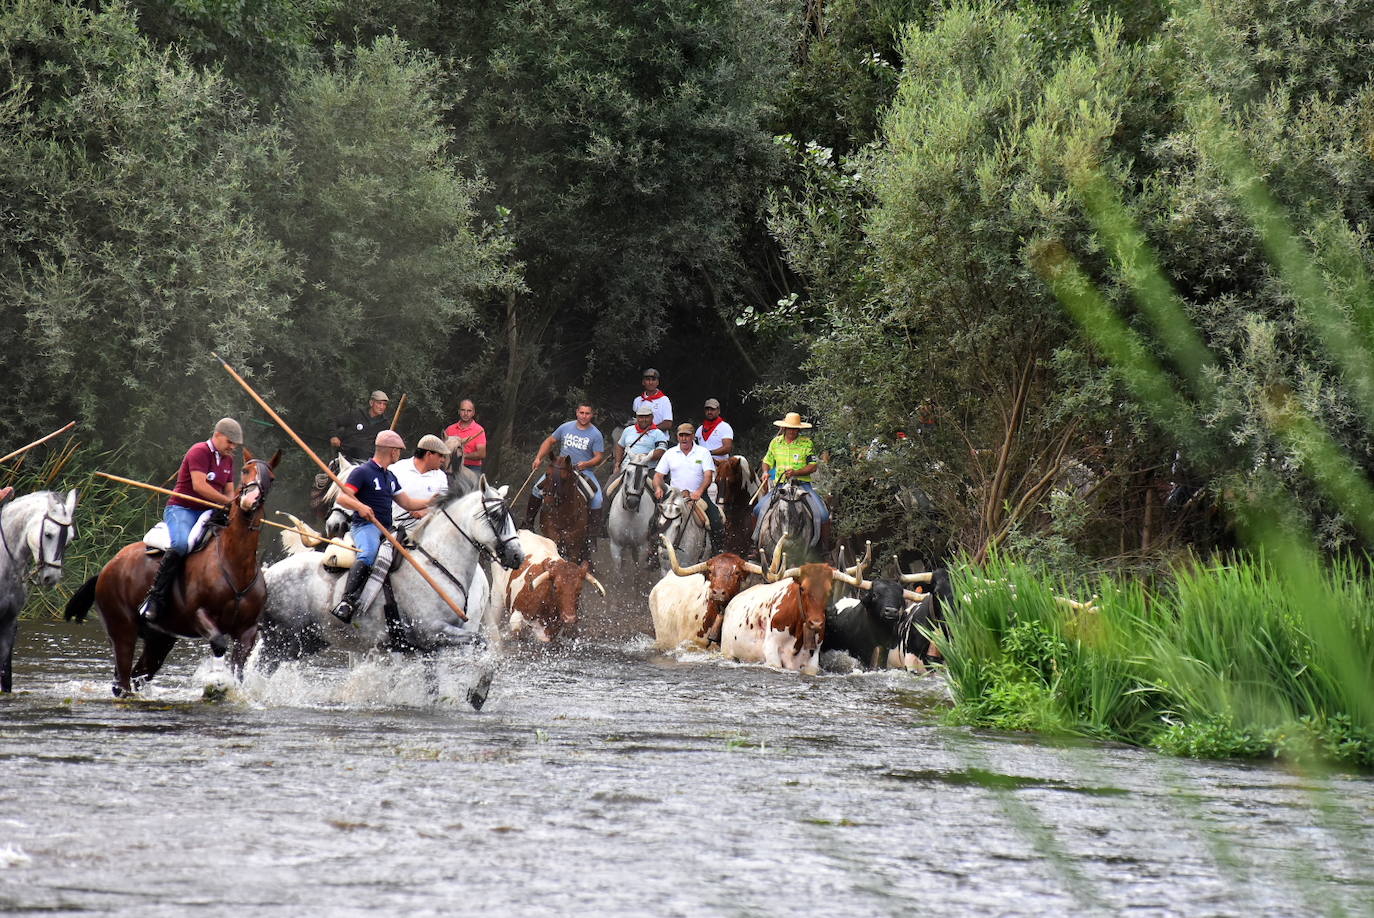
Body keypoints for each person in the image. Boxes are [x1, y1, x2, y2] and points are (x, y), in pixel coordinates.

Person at [139, 418, 242, 623]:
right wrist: (228, 502)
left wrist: (235, 506)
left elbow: (229, 490)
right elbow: (199, 486)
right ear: (218, 435)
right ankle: (154, 598)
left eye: (235, 445)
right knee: (180, 545)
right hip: (182, 508)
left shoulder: (228, 460)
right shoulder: (199, 451)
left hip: (209, 512)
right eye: (230, 442)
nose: (232, 448)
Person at [331, 430, 435, 623]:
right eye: (399, 451)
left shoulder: (390, 476)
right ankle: (347, 601)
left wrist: (432, 501)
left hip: (388, 528)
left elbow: (408, 503)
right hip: (365, 527)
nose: (400, 455)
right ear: (392, 451)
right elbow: (342, 497)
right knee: (368, 553)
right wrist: (360, 506)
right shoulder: (362, 472)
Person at [524, 404, 606, 535]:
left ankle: (592, 536)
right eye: (581, 412)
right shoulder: (566, 427)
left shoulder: (596, 434)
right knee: (536, 489)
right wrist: (538, 458)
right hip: (561, 468)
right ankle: (528, 523)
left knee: (597, 499)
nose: (584, 416)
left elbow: (598, 457)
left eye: (587, 413)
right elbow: (549, 441)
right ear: (577, 413)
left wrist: (586, 463)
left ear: (592, 415)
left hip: (583, 471)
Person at [755, 411, 831, 549]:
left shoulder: (807, 443)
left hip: (802, 486)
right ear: (784, 428)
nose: (792, 431)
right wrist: (766, 472)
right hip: (781, 486)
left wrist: (796, 472)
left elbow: (812, 467)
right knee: (758, 509)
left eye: (795, 428)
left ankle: (824, 549)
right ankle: (756, 545)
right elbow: (767, 460)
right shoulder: (775, 443)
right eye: (790, 428)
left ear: (799, 429)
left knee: (822, 514)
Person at [654, 423, 725, 554]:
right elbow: (658, 475)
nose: (684, 438)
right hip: (674, 497)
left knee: (715, 520)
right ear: (677, 436)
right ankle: (654, 553)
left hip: (698, 496)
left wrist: (699, 491)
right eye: (681, 435)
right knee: (654, 520)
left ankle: (716, 553)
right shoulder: (670, 453)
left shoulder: (703, 453)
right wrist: (658, 487)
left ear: (693, 436)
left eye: (687, 435)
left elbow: (708, 476)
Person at [391, 434, 452, 533]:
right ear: (428, 454)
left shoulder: (441, 477)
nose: (443, 460)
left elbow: (443, 506)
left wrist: (426, 512)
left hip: (425, 536)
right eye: (440, 455)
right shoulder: (397, 469)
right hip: (393, 530)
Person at [329, 390, 391, 463]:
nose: (382, 407)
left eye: (384, 404)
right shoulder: (355, 414)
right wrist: (333, 436)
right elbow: (333, 421)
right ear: (371, 403)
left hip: (368, 460)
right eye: (379, 403)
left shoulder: (385, 424)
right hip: (346, 456)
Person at [614, 405, 669, 474]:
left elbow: (661, 450)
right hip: (626, 467)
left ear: (652, 417)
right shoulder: (628, 430)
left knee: (657, 484)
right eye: (641, 417)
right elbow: (620, 446)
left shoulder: (658, 433)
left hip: (648, 469)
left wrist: (643, 457)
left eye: (647, 417)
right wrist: (617, 464)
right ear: (636, 417)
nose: (644, 420)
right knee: (610, 483)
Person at [443, 399, 487, 476]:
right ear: (459, 411)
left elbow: (481, 454)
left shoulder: (479, 430)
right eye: (463, 410)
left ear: (473, 413)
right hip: (451, 466)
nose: (465, 413)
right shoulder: (450, 429)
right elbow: (442, 450)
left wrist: (461, 455)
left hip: (472, 467)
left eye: (469, 411)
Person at [632, 368, 673, 434]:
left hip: (659, 438)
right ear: (643, 382)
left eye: (653, 380)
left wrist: (650, 429)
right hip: (640, 439)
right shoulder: (637, 400)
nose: (650, 382)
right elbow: (635, 421)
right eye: (648, 379)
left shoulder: (664, 400)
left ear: (657, 382)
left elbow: (668, 423)